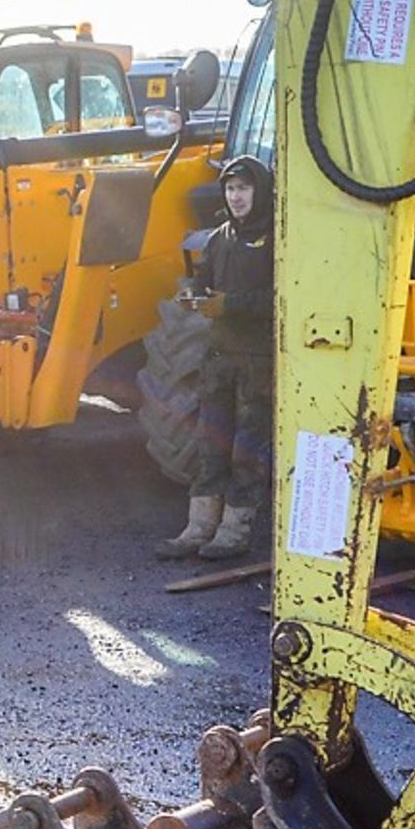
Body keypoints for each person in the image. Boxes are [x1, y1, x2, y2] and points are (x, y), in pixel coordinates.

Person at [156, 153, 275, 561]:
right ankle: (198, 527)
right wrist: (191, 295)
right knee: (211, 443)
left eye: (244, 188)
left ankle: (234, 530)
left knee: (247, 448)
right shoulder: (220, 236)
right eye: (230, 189)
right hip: (219, 358)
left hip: (257, 360)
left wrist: (231, 305)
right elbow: (202, 280)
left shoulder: (279, 235)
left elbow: (284, 298)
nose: (237, 196)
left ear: (259, 191)